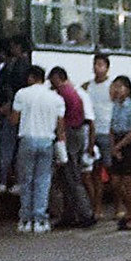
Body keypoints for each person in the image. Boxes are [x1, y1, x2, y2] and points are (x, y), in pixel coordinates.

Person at [10, 65, 66, 234]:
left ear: (30, 78)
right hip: (46, 141)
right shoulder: (56, 98)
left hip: (27, 139)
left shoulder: (22, 94)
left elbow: (14, 120)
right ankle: (40, 220)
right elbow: (60, 125)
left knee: (26, 181)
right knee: (43, 181)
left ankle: (25, 220)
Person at [48, 66, 96, 228]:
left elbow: (60, 119)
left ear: (58, 77)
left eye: (52, 80)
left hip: (69, 135)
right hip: (77, 134)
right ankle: (70, 215)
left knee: (71, 177)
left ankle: (85, 214)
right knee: (67, 178)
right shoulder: (73, 91)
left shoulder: (62, 93)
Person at [82, 53, 114, 220]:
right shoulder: (88, 86)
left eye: (101, 65)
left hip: (106, 133)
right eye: (95, 64)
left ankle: (118, 207)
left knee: (113, 173)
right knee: (95, 174)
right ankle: (97, 207)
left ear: (107, 67)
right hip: (93, 134)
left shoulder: (112, 86)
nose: (97, 68)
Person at [0, 36, 31, 193]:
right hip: (14, 110)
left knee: (8, 147)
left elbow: (15, 88)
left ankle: (4, 180)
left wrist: (9, 106)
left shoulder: (19, 65)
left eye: (13, 46)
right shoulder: (19, 64)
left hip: (12, 111)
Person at [110, 75, 131, 231]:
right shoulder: (115, 105)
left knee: (129, 183)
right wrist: (113, 147)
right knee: (115, 182)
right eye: (115, 86)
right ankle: (128, 211)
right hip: (117, 143)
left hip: (129, 145)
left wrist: (119, 147)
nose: (117, 90)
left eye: (120, 87)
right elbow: (111, 127)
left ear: (128, 90)